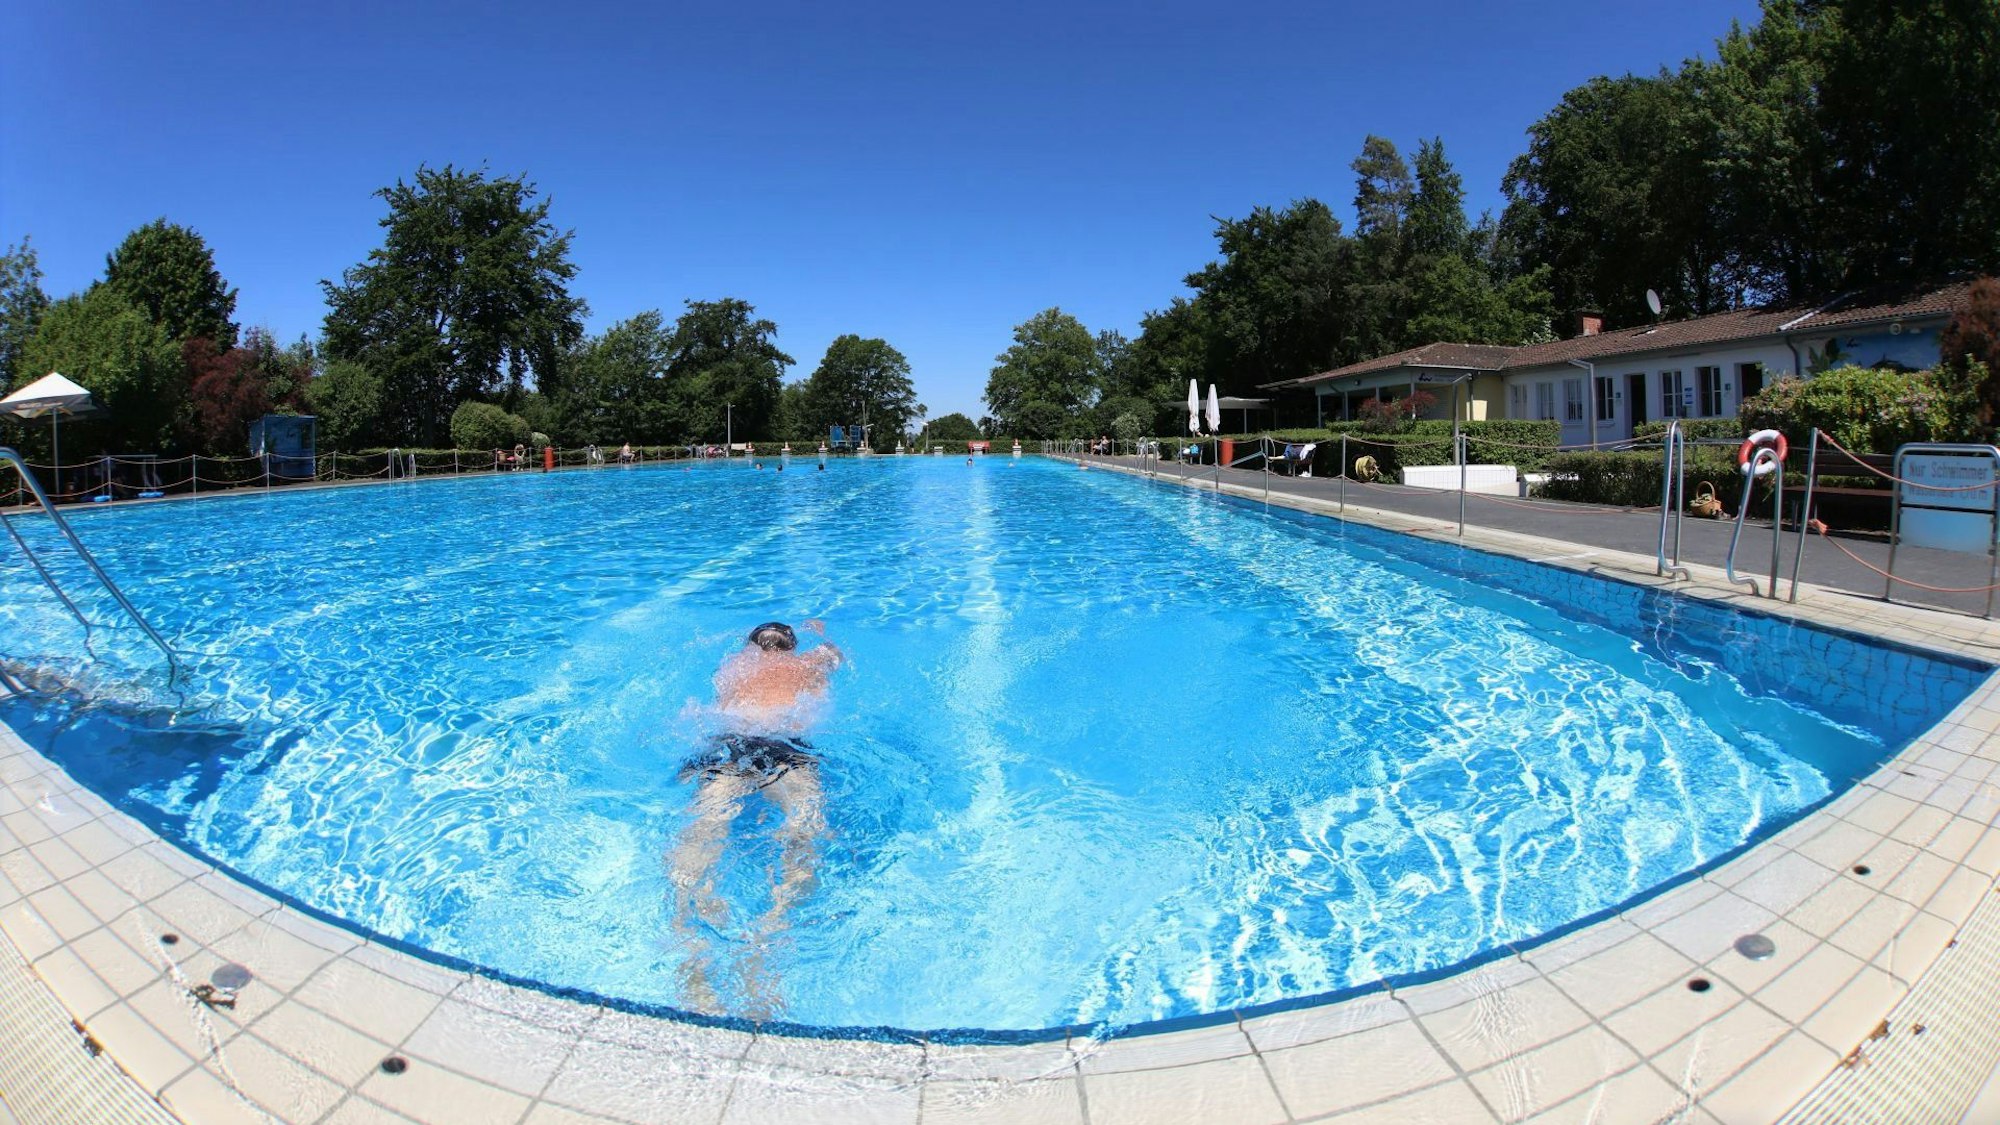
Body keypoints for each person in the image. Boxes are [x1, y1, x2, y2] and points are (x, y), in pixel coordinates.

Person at [667, 620, 843, 1015]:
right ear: (792, 647)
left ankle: (689, 935)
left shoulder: (732, 667)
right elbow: (836, 654)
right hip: (785, 750)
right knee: (805, 829)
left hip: (728, 748)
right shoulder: (809, 664)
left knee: (704, 829)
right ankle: (774, 926)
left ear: (751, 649)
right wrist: (817, 631)